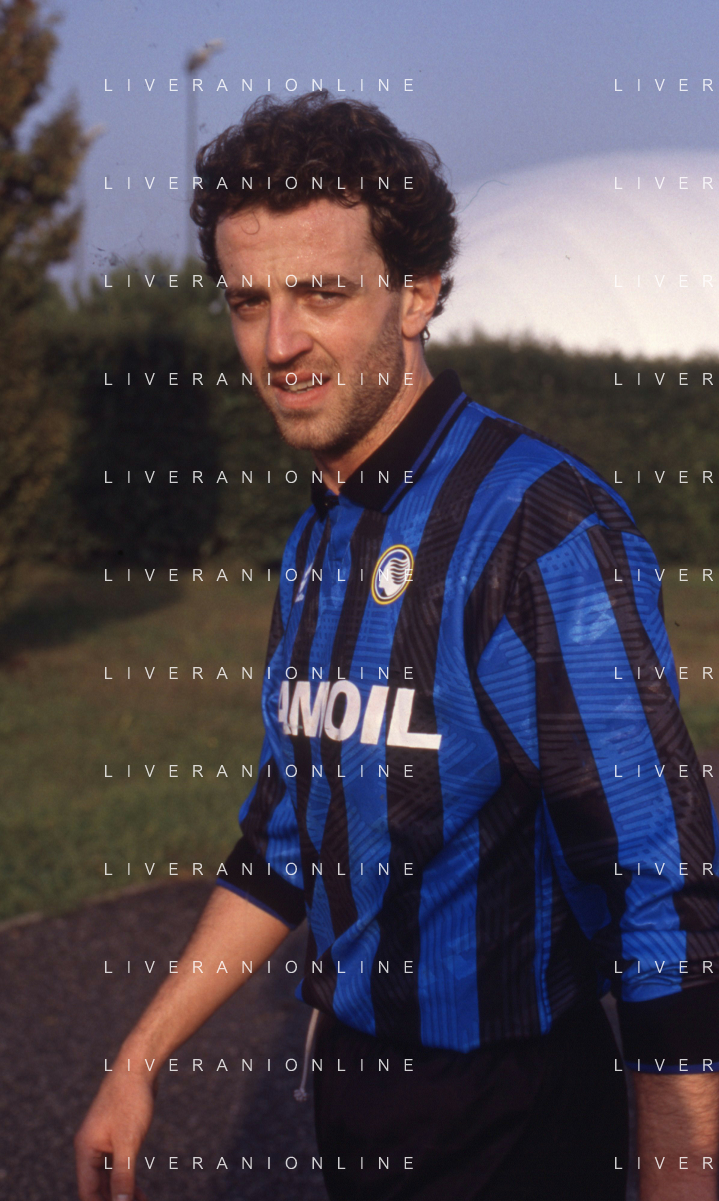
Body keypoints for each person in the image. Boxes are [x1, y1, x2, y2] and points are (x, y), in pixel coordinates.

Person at [75, 92, 719, 1201]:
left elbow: (666, 890)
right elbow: (288, 832)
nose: (280, 343)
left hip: (510, 1116)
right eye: (249, 300)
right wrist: (139, 1058)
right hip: (356, 1092)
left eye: (321, 292)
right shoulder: (318, 534)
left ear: (416, 294)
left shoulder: (539, 527)